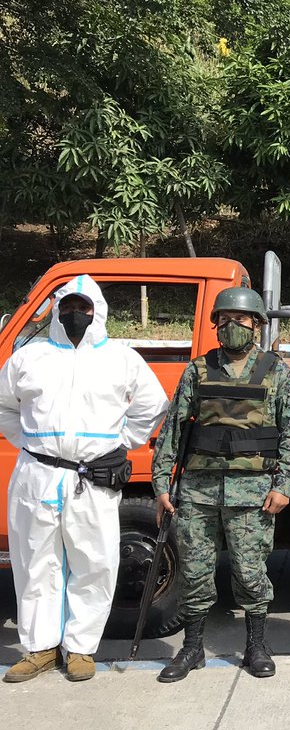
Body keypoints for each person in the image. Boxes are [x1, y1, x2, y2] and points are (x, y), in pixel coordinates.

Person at [0, 276, 168, 683]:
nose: (75, 315)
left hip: (92, 478)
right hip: (36, 475)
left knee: (94, 561)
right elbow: (4, 407)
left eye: (84, 307)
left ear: (98, 311)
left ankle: (80, 648)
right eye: (68, 307)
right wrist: (34, 445)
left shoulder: (121, 359)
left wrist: (121, 444)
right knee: (35, 561)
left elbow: (153, 406)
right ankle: (40, 647)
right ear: (57, 310)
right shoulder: (28, 357)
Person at [152, 288, 290, 683]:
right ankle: (192, 648)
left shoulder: (276, 373)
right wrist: (160, 485)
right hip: (198, 492)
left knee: (250, 572)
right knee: (194, 571)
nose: (232, 326)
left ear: (256, 325)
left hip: (252, 493)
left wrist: (284, 485)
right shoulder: (197, 371)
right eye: (224, 319)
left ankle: (256, 645)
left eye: (241, 319)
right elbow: (172, 432)